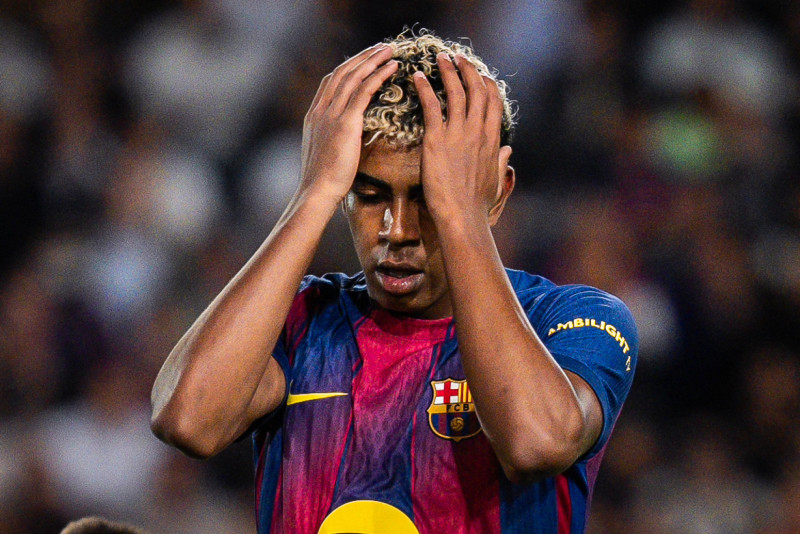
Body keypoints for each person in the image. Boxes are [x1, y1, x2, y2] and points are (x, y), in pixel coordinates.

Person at [151, 30, 638, 534]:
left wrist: (462, 214)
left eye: (428, 198)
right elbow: (188, 421)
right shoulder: (302, 319)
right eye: (369, 195)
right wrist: (314, 193)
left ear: (497, 194)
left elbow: (536, 443)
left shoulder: (572, 318)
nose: (396, 230)